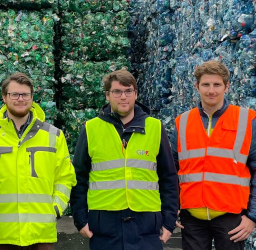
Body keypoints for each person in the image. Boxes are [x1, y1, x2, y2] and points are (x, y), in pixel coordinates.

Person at [70, 69, 179, 250]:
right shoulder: (91, 129)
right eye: (117, 92)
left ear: (136, 94)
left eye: (128, 91)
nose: (123, 97)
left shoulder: (154, 127)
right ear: (107, 95)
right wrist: (80, 219)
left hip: (146, 224)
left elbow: (169, 177)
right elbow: (78, 178)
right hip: (104, 226)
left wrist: (169, 221)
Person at [172, 60, 256, 250]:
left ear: (226, 86)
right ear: (197, 86)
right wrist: (171, 208)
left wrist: (253, 217)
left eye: (217, 85)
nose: (211, 90)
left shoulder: (245, 121)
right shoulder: (182, 123)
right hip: (191, 217)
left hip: (231, 218)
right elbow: (172, 170)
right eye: (206, 84)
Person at [0, 72, 76, 250]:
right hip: (0, 236)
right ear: (4, 98)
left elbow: (65, 177)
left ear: (32, 98)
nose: (20, 99)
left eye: (25, 95)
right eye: (14, 94)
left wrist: (55, 209)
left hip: (41, 235)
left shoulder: (53, 136)